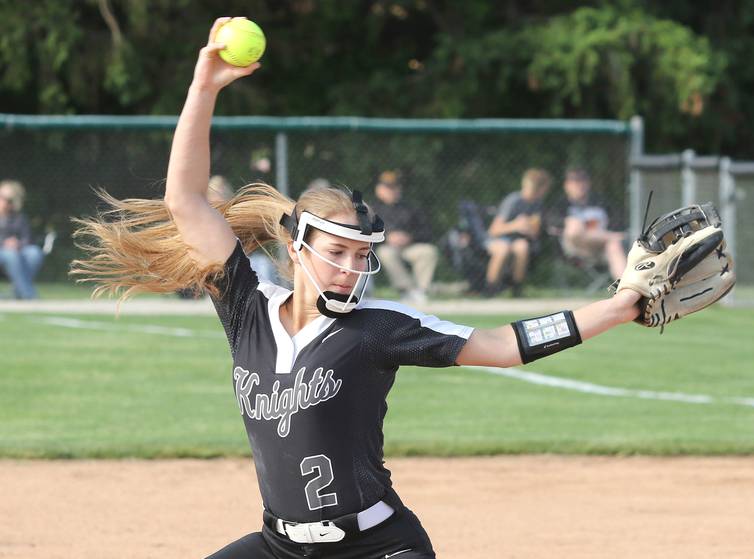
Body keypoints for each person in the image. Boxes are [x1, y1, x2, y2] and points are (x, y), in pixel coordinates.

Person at [70, 18, 644, 559]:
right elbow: (186, 202)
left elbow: (503, 346)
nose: (350, 267)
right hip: (281, 545)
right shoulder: (249, 309)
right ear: (297, 249)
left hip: (378, 545)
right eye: (336, 252)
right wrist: (204, 87)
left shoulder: (378, 327)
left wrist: (618, 308)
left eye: (362, 255)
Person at [370, 170, 438, 304]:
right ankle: (407, 290)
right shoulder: (371, 209)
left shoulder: (410, 207)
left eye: (395, 187)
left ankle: (421, 291)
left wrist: (410, 237)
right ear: (379, 189)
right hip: (385, 246)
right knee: (386, 253)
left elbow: (427, 232)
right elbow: (367, 233)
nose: (393, 191)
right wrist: (387, 237)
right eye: (388, 187)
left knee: (428, 251)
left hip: (410, 247)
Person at [484, 168, 551, 297]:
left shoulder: (537, 204)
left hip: (517, 240)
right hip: (498, 239)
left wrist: (530, 229)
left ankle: (516, 289)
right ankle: (490, 289)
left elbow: (535, 233)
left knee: (522, 247)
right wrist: (515, 225)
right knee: (503, 249)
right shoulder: (513, 201)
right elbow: (493, 230)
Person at [551, 167, 627, 279]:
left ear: (588, 183)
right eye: (575, 182)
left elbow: (617, 222)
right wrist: (568, 221)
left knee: (614, 245)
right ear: (566, 185)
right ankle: (610, 237)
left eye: (583, 181)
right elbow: (550, 221)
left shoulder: (601, 202)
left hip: (601, 248)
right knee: (573, 224)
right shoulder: (561, 205)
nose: (580, 185)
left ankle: (624, 288)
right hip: (576, 248)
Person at [0, 179, 45, 299]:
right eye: (2, 197)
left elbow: (28, 238)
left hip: (17, 250)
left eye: (8, 200)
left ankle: (17, 291)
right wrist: (4, 243)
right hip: (4, 251)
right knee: (11, 255)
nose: (4, 202)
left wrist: (18, 243)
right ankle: (28, 294)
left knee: (34, 253)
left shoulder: (19, 218)